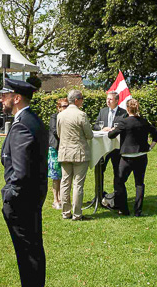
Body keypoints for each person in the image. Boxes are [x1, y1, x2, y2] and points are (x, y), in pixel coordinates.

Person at [0, 78, 48, 287]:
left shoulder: (22, 126)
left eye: (4, 95)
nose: (1, 99)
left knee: (28, 255)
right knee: (31, 252)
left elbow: (20, 171)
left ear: (16, 98)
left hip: (22, 201)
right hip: (31, 197)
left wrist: (9, 195)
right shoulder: (31, 120)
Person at [105, 98, 157, 216]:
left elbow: (111, 135)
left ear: (127, 109)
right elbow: (156, 134)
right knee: (139, 183)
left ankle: (124, 209)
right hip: (141, 155)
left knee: (119, 181)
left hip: (127, 156)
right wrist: (150, 147)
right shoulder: (143, 121)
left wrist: (113, 129)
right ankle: (138, 211)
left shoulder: (124, 122)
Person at [56, 90, 94, 221]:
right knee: (78, 184)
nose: (82, 100)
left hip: (65, 152)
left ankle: (66, 212)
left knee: (65, 183)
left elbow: (59, 134)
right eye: (81, 98)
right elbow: (89, 135)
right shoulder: (81, 115)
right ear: (77, 100)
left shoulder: (60, 115)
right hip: (79, 153)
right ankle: (77, 214)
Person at [93, 91, 127, 193]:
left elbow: (125, 128)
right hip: (103, 146)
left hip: (116, 146)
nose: (108, 101)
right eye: (107, 99)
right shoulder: (103, 111)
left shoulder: (123, 113)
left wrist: (115, 130)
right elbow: (96, 125)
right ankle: (99, 194)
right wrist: (102, 128)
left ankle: (117, 194)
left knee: (117, 171)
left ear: (116, 101)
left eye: (110, 99)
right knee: (100, 169)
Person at [47, 98, 68, 210]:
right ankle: (55, 200)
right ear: (58, 108)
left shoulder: (69, 117)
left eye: (67, 106)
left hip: (66, 148)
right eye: (64, 106)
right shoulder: (54, 117)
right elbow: (54, 131)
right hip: (55, 148)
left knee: (64, 174)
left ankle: (62, 198)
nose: (66, 108)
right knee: (56, 175)